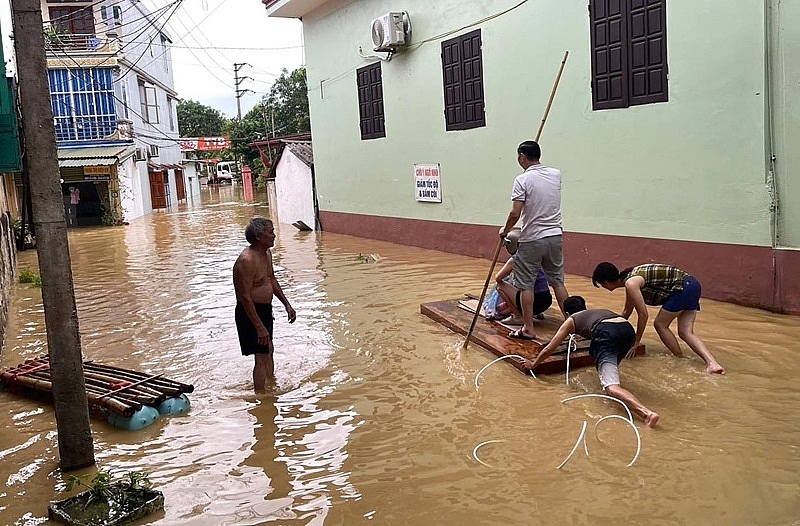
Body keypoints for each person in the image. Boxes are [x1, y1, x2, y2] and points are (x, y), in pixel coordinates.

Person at [523, 296, 660, 428]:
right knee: (611, 372)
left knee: (611, 387)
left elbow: (549, 349)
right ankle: (620, 392)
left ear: (566, 313)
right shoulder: (598, 312)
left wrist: (533, 364)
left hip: (607, 335)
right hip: (627, 331)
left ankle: (647, 414)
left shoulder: (571, 320)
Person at [592, 262, 725, 374]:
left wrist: (636, 342)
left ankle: (679, 358)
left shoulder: (631, 283)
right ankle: (712, 363)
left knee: (660, 324)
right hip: (692, 285)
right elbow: (627, 311)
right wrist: (613, 330)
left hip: (683, 288)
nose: (603, 287)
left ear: (606, 282)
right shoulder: (630, 280)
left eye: (601, 284)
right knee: (686, 332)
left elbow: (643, 315)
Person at [498, 140, 569, 341]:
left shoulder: (522, 180)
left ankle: (528, 328)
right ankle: (571, 321)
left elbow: (515, 212)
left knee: (525, 285)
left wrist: (506, 230)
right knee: (557, 281)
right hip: (555, 235)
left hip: (533, 238)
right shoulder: (556, 174)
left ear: (522, 156)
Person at [233, 217, 296, 392]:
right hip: (250, 312)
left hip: (265, 309)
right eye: (271, 232)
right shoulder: (246, 261)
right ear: (259, 237)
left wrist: (287, 305)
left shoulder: (266, 253)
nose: (274, 235)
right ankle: (262, 398)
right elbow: (244, 297)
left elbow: (271, 279)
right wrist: (259, 326)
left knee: (269, 349)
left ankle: (271, 383)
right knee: (260, 357)